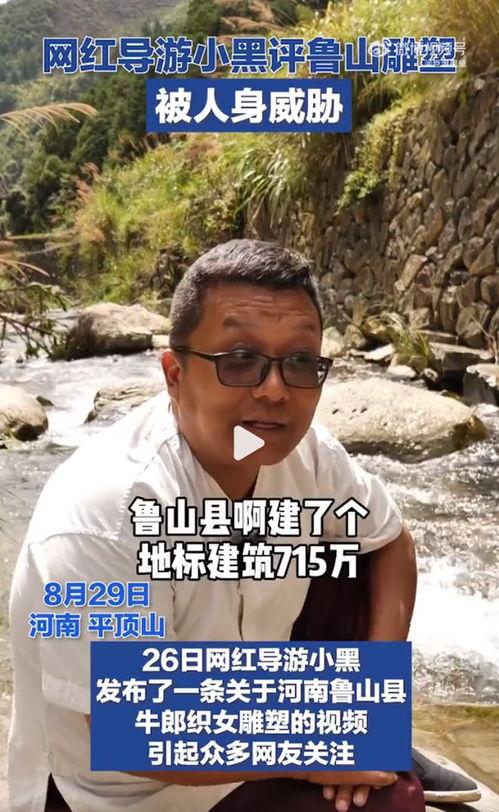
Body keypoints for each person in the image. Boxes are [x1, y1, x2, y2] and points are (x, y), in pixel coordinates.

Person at [8, 239, 479, 812]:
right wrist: (316, 748)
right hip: (125, 790)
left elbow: (391, 542)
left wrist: (376, 707)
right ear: (174, 374)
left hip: (245, 706)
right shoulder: (105, 510)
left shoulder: (307, 455)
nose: (274, 389)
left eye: (300, 362)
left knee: (351, 560)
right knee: (394, 804)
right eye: (238, 359)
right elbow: (127, 723)